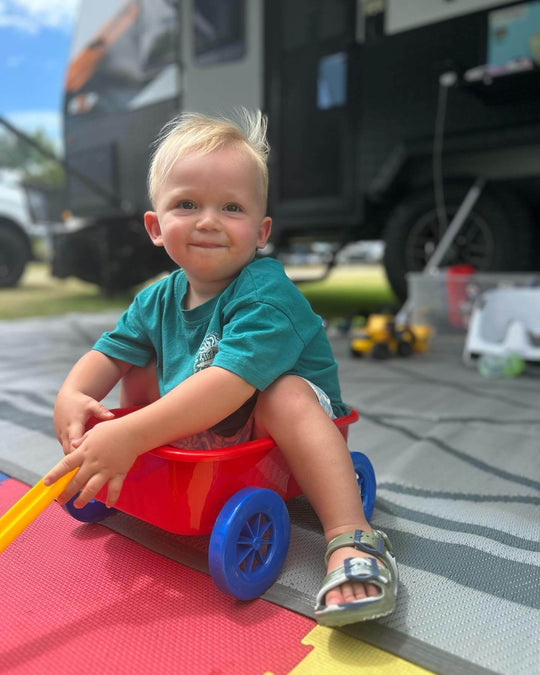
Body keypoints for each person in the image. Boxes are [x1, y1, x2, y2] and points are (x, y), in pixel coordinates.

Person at [44, 109, 398, 626]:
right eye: (187, 204)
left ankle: (352, 539)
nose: (208, 220)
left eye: (231, 207)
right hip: (207, 417)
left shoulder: (265, 294)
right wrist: (72, 395)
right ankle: (150, 458)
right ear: (155, 227)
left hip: (274, 412)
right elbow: (110, 352)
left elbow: (226, 388)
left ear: (260, 231)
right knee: (139, 360)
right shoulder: (157, 298)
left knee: (282, 393)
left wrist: (133, 434)